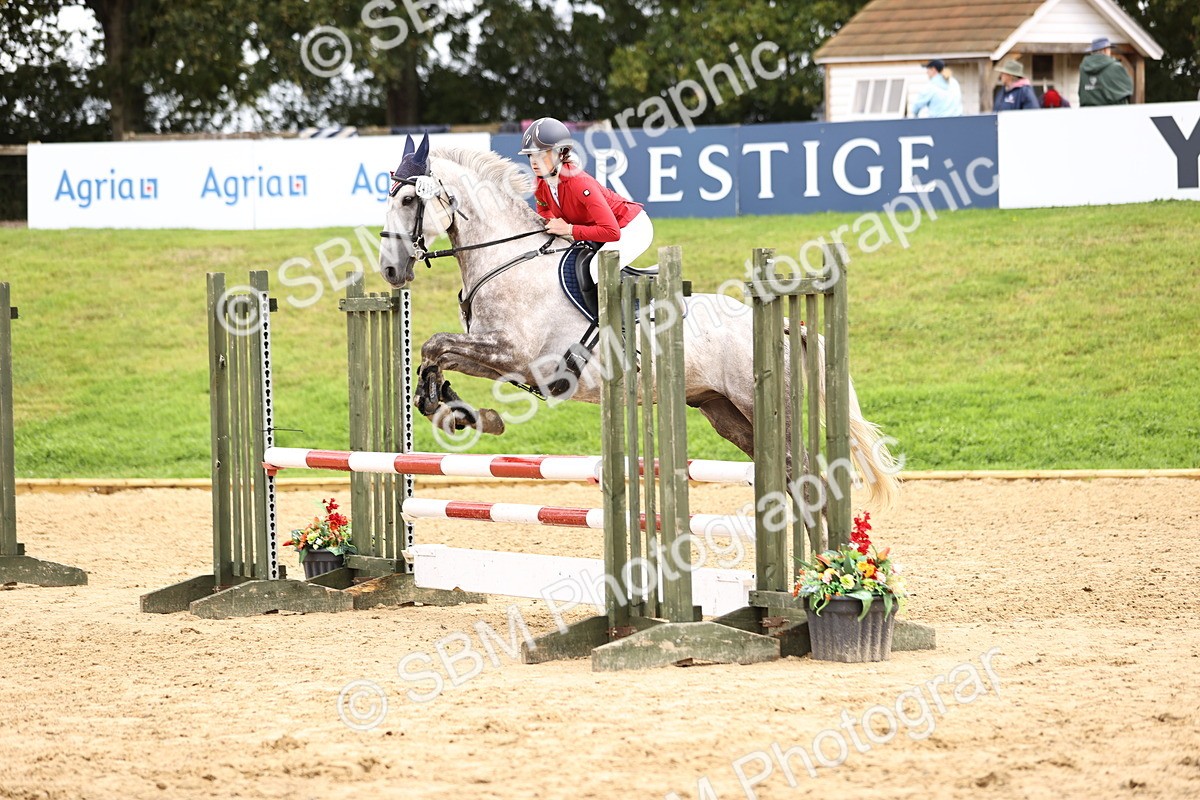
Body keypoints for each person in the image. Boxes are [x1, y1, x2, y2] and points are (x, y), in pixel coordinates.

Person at [519, 117, 653, 278]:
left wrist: (569, 229)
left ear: (562, 153)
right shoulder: (540, 184)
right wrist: (552, 224)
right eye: (531, 156)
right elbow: (544, 209)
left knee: (595, 271)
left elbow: (612, 233)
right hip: (602, 230)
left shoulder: (580, 183)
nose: (534, 162)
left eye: (542, 155)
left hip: (632, 228)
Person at [1078, 37, 1134, 106]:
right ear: (1105, 50)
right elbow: (1127, 90)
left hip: (1087, 113)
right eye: (1109, 49)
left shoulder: (1083, 67)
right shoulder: (1115, 67)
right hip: (1110, 113)